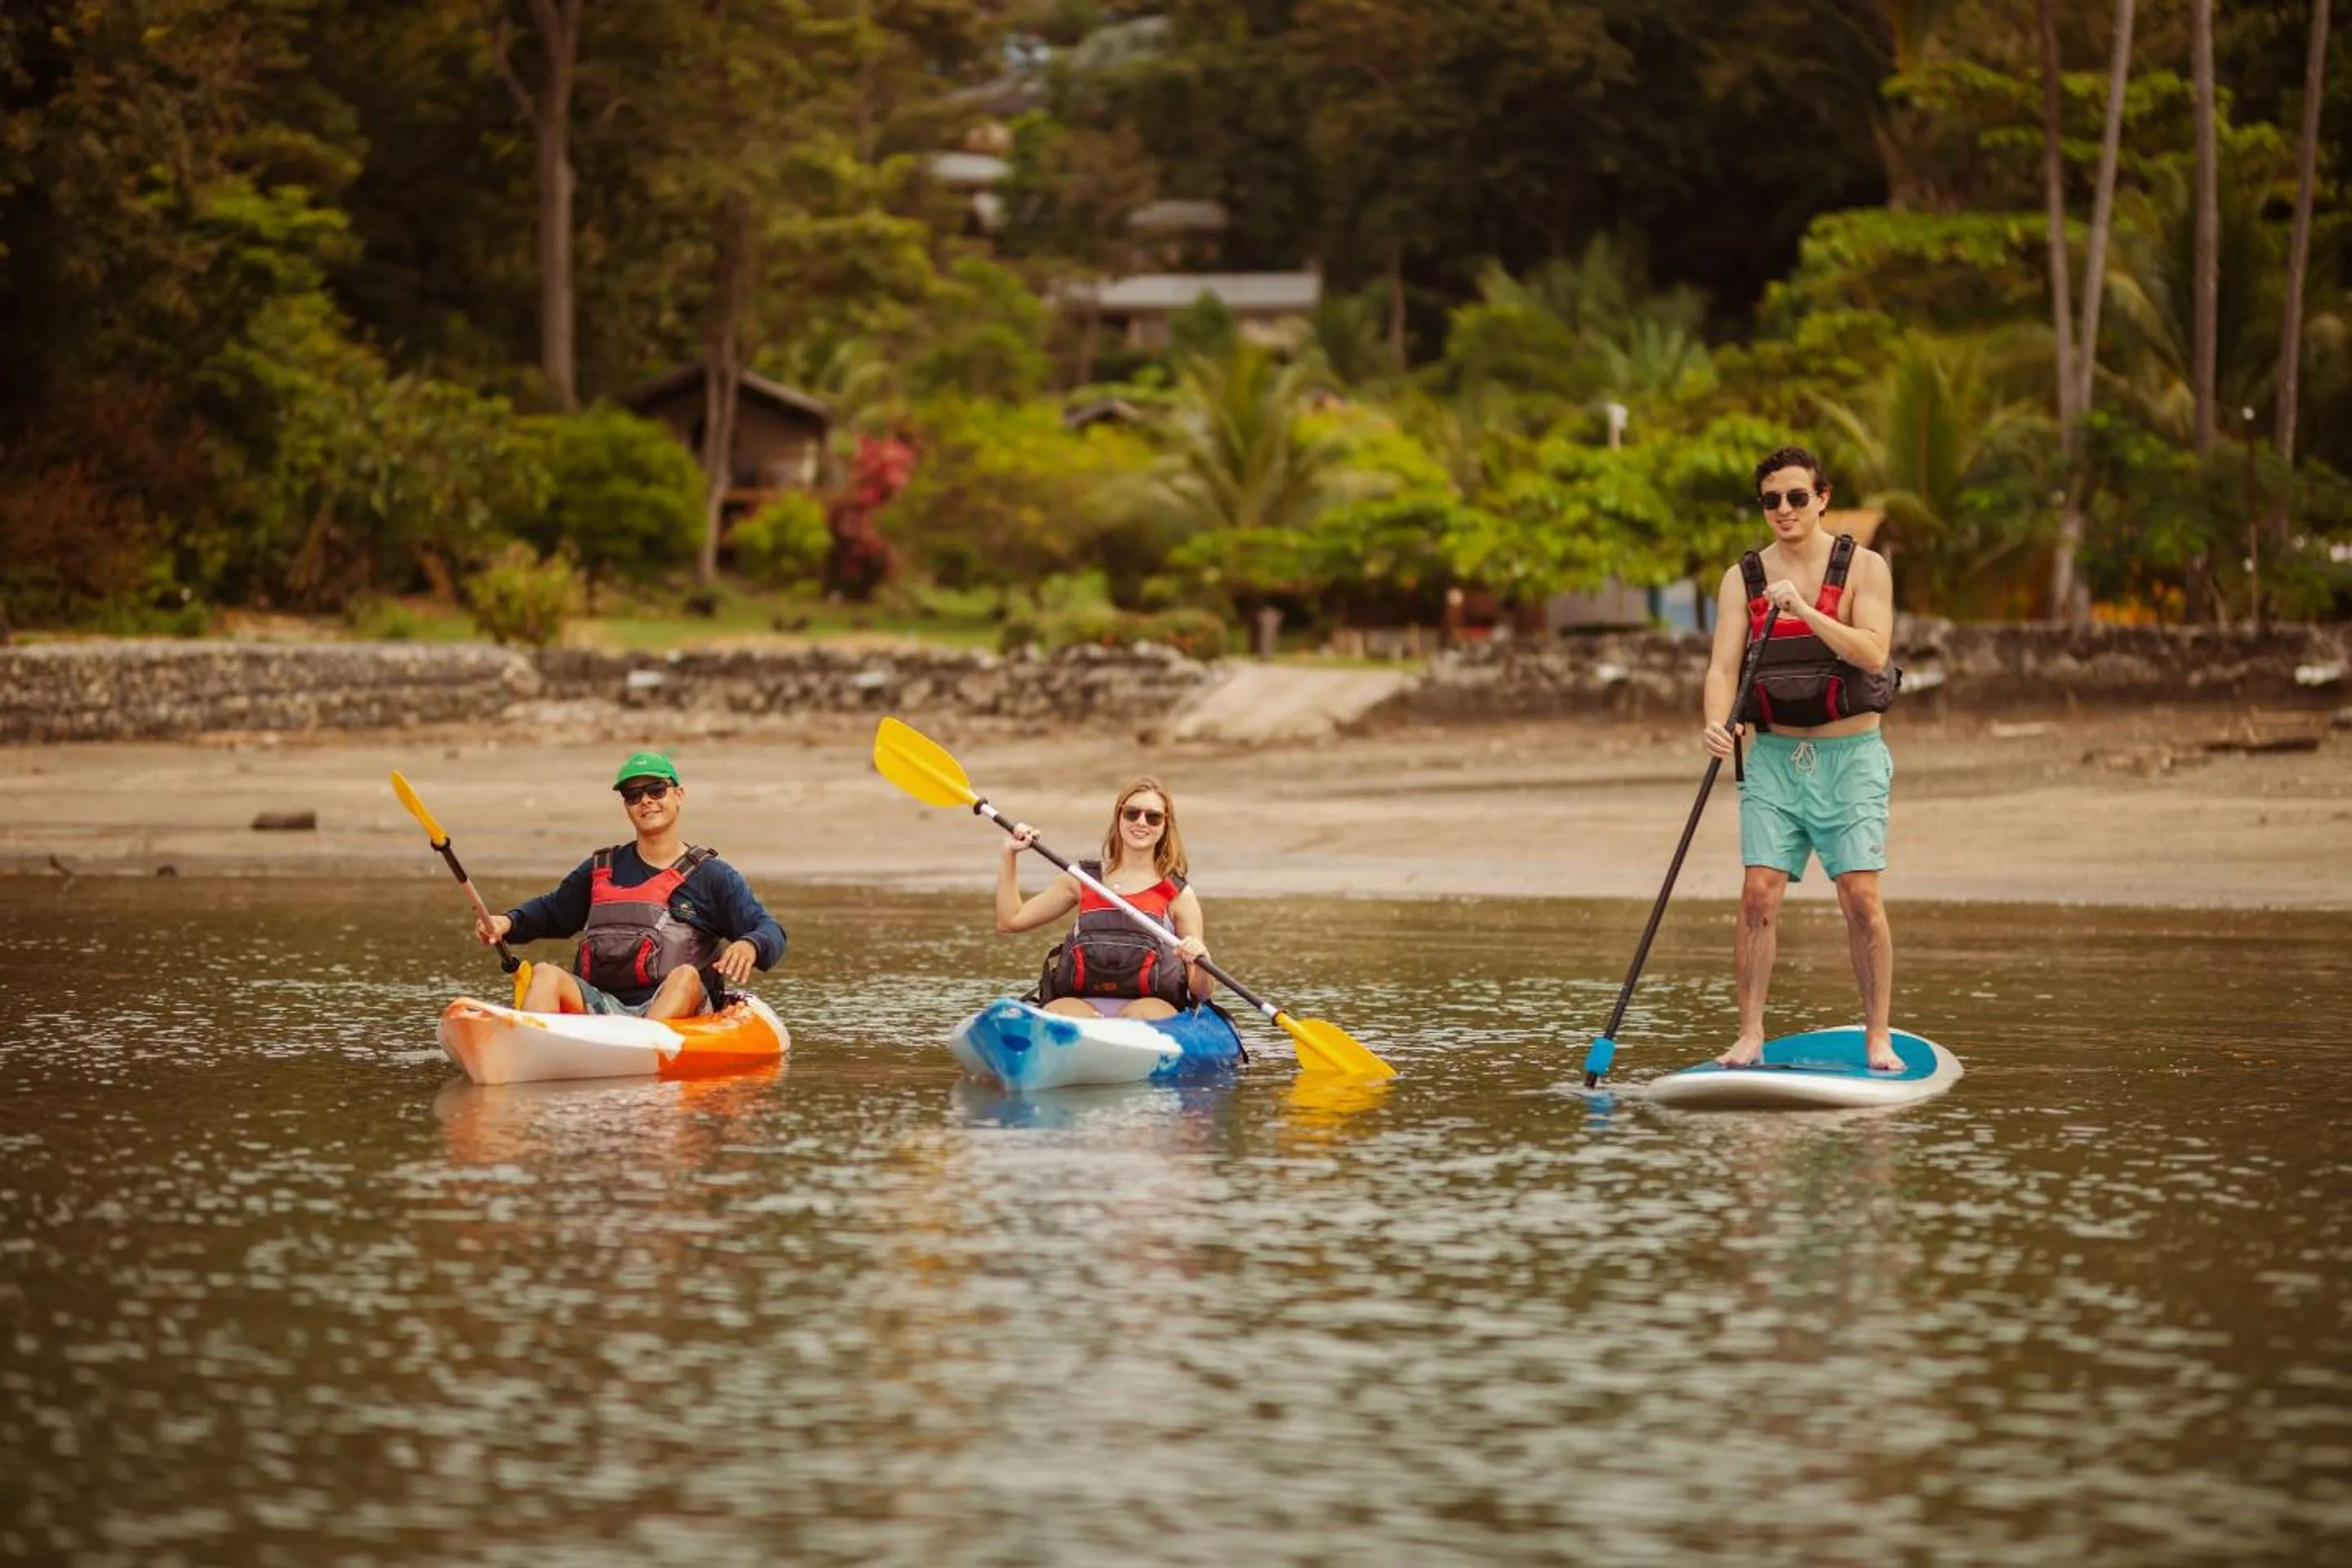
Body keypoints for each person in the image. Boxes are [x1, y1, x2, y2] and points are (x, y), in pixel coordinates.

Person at [1701, 447, 1902, 1070]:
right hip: (1775, 757)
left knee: (1859, 897)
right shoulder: (1743, 578)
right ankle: (1751, 1036)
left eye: (1795, 497)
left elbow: (1872, 653)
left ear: (1822, 498)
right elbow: (1722, 668)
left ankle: (1878, 1038)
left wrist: (1806, 610)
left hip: (1851, 757)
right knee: (1757, 894)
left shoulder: (1864, 568)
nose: (1783, 510)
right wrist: (1718, 722)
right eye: (1770, 500)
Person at [474, 751, 784, 1019]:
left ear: (678, 795)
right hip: (604, 1004)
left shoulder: (711, 876)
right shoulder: (602, 868)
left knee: (685, 977)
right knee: (543, 974)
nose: (645, 801)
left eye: (656, 790)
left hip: (677, 1007)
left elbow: (769, 928)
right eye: (633, 796)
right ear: (626, 806)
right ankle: (527, 1050)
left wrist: (750, 944)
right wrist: (507, 922)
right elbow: (553, 912)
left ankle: (642, 1045)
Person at [995, 777, 1212, 1019]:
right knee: (1059, 1012)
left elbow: (1201, 991)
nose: (1141, 822)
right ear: (1119, 816)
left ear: (1165, 824)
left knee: (1144, 1014)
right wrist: (1009, 854)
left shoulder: (1177, 894)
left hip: (1151, 1009)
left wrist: (1202, 956)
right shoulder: (1083, 880)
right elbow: (1010, 920)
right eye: (1132, 813)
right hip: (1081, 1005)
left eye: (1153, 817)